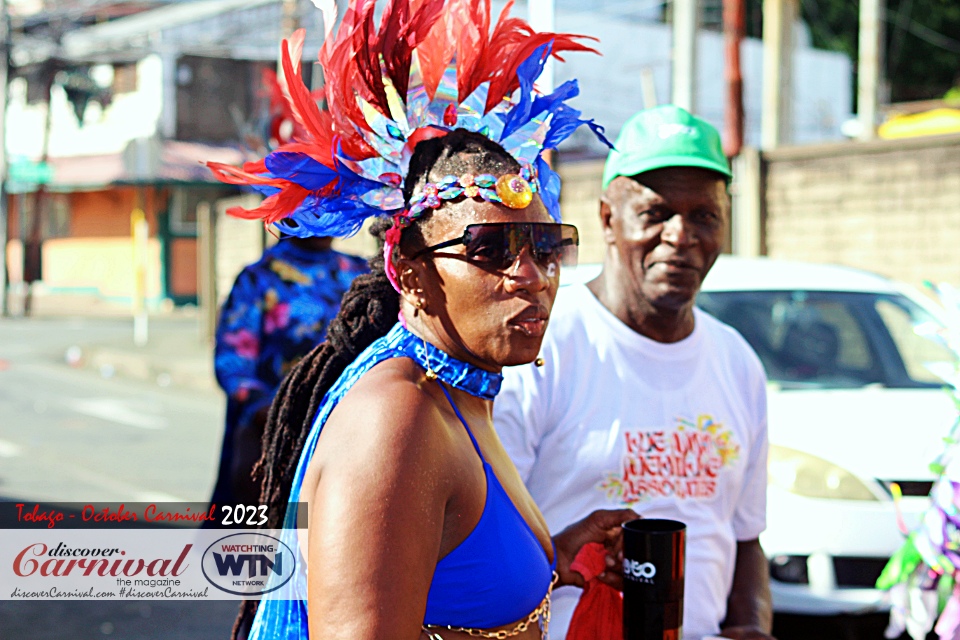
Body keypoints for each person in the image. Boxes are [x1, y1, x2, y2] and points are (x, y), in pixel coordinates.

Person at [208, 1, 636, 638]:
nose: (529, 276)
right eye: (489, 250)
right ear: (408, 270)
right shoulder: (396, 422)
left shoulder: (460, 392)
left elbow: (447, 584)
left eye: (546, 248)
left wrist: (550, 557)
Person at [494, 105, 775, 640]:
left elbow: (744, 539)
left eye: (704, 216)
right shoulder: (543, 348)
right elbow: (485, 544)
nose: (680, 235)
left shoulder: (737, 361)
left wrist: (750, 626)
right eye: (655, 213)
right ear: (607, 219)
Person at [211, 235, 367, 507]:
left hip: (348, 430)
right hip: (273, 438)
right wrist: (276, 417)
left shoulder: (357, 272)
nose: (319, 213)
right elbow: (233, 363)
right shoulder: (258, 279)